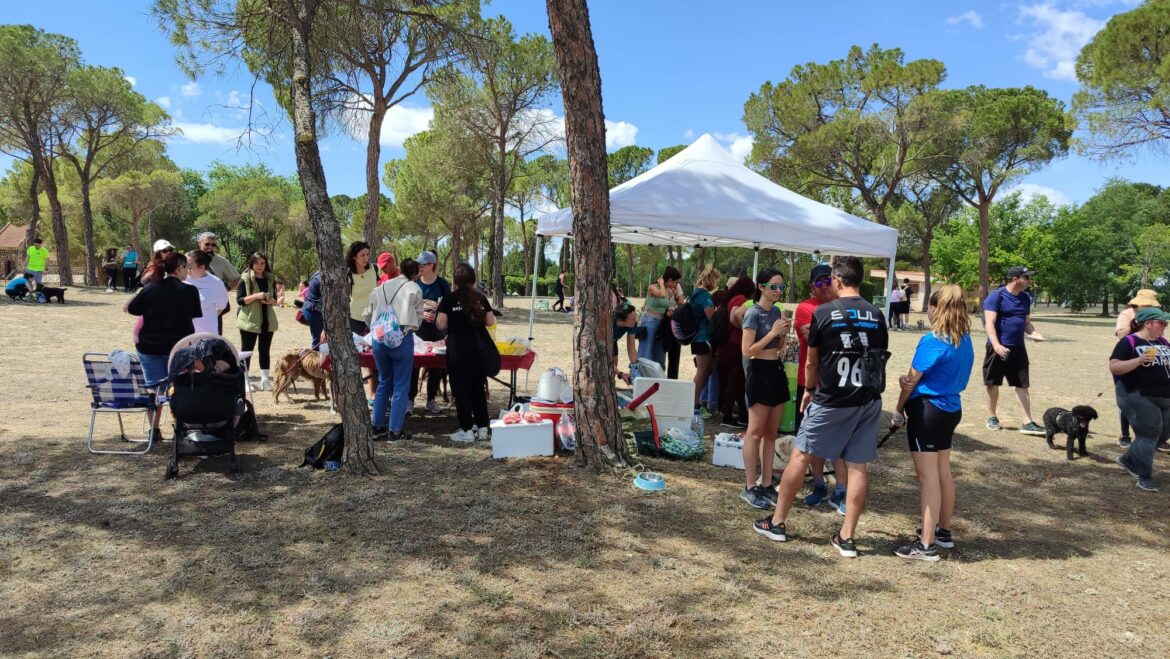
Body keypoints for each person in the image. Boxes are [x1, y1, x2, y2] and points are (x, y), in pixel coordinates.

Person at [754, 256, 888, 559]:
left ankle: (776, 523)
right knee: (857, 466)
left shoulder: (825, 313)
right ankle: (847, 537)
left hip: (830, 398)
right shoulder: (876, 314)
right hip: (867, 398)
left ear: (838, 280)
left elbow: (811, 360)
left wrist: (809, 390)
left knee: (800, 455)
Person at [889, 285, 974, 561]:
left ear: (936, 308)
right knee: (942, 472)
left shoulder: (933, 340)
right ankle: (942, 532)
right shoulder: (965, 339)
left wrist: (899, 409)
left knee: (929, 479)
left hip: (928, 411)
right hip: (950, 409)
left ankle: (925, 545)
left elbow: (911, 379)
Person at [126, 251, 201, 438]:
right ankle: (181, 426)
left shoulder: (152, 288)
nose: (188, 272)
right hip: (178, 347)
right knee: (179, 385)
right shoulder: (189, 290)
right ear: (180, 268)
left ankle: (154, 429)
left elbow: (133, 308)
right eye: (187, 268)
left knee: (154, 387)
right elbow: (194, 314)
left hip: (149, 346)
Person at [739, 268, 792, 509]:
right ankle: (750, 486)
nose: (778, 291)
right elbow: (747, 350)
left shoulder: (778, 311)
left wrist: (782, 337)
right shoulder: (753, 314)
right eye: (774, 286)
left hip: (776, 372)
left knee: (772, 433)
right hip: (759, 373)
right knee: (755, 432)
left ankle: (767, 483)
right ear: (761, 287)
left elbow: (778, 345)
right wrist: (772, 332)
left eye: (781, 286)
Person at [796, 264, 848, 510]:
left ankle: (841, 489)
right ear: (812, 287)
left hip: (839, 384)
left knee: (840, 443)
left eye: (828, 280)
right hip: (810, 384)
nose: (824, 285)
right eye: (819, 282)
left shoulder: (847, 304)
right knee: (812, 441)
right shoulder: (805, 308)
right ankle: (818, 483)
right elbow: (810, 336)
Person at [1110, 307, 1170, 492]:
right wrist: (1139, 360)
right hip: (1136, 394)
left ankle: (1129, 460)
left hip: (1164, 395)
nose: (1165, 326)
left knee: (1164, 432)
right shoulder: (1129, 342)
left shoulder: (1163, 342)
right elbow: (1115, 367)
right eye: (1161, 323)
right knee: (1150, 431)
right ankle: (1144, 476)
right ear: (1148, 323)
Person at [437, 263, 496, 442]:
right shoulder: (480, 298)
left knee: (461, 389)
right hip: (478, 348)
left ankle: (466, 429)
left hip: (457, 350)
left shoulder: (448, 299)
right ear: (473, 279)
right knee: (477, 388)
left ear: (455, 280)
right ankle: (483, 427)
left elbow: (441, 324)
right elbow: (490, 321)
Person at [365, 258, 423, 441]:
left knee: (383, 382)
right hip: (402, 339)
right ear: (415, 274)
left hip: (379, 340)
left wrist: (377, 329)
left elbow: (367, 314)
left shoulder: (380, 287)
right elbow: (419, 318)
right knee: (401, 385)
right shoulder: (414, 289)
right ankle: (395, 430)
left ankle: (377, 426)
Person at [984, 266, 1046, 435]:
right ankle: (992, 417)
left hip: (1018, 347)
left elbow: (1026, 323)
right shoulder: (997, 296)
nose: (1029, 281)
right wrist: (996, 345)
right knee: (993, 383)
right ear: (1014, 278)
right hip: (997, 347)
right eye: (1026, 277)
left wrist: (1034, 333)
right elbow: (989, 323)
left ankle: (1027, 422)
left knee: (1021, 384)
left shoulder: (1025, 298)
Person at [1114, 289, 1161, 448]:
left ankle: (1155, 436)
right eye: (1147, 305)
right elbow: (1121, 335)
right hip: (1129, 354)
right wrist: (1137, 322)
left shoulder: (1156, 314)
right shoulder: (1127, 314)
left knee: (1152, 394)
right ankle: (1124, 434)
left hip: (1151, 355)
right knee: (1127, 396)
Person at [413, 250, 452, 414]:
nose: (419, 267)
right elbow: (408, 305)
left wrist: (436, 310)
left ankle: (431, 400)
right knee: (413, 364)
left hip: (437, 329)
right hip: (418, 328)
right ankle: (410, 399)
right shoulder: (414, 283)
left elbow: (448, 305)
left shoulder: (442, 284)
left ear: (432, 265)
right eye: (418, 264)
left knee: (436, 364)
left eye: (423, 264)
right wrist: (422, 312)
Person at [237, 252, 282, 391]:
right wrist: (256, 296)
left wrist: (271, 300)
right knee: (247, 351)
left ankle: (265, 380)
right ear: (251, 263)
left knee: (265, 350)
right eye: (256, 263)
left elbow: (274, 299)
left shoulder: (270, 279)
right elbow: (240, 300)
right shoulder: (244, 279)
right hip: (249, 320)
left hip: (267, 320)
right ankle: (244, 381)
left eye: (262, 263)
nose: (259, 266)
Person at [717, 276, 755, 429]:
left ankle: (742, 415)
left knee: (736, 382)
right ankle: (727, 416)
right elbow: (735, 316)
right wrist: (746, 328)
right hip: (735, 344)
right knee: (735, 381)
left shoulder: (730, 297)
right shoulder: (740, 299)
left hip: (726, 345)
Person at [638, 266, 686, 370]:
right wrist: (661, 283)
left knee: (659, 354)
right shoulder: (653, 287)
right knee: (645, 352)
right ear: (670, 280)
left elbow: (666, 307)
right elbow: (661, 294)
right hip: (650, 321)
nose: (677, 285)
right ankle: (639, 377)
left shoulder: (668, 290)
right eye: (676, 282)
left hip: (661, 323)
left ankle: (656, 378)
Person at [690, 265, 720, 416]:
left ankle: (694, 403)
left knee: (704, 371)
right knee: (702, 371)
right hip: (704, 338)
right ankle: (693, 404)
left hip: (697, 338)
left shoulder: (696, 293)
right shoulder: (705, 296)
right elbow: (711, 317)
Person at [185, 250, 228, 336]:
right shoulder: (182, 278)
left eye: (189, 266)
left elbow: (222, 306)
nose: (185, 268)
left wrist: (206, 318)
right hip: (184, 334)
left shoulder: (216, 283)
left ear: (201, 267)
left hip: (207, 334)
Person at [613, 302, 639, 383]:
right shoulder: (609, 326)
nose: (635, 319)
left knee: (614, 363)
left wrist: (634, 368)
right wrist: (620, 374)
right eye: (633, 318)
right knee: (608, 366)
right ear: (621, 320)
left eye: (635, 316)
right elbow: (605, 359)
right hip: (602, 343)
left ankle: (610, 385)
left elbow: (631, 347)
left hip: (613, 341)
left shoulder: (632, 324)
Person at [301, 271, 324, 348]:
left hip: (311, 309)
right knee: (318, 341)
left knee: (320, 340)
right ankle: (314, 359)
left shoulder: (318, 273)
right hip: (314, 311)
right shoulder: (321, 277)